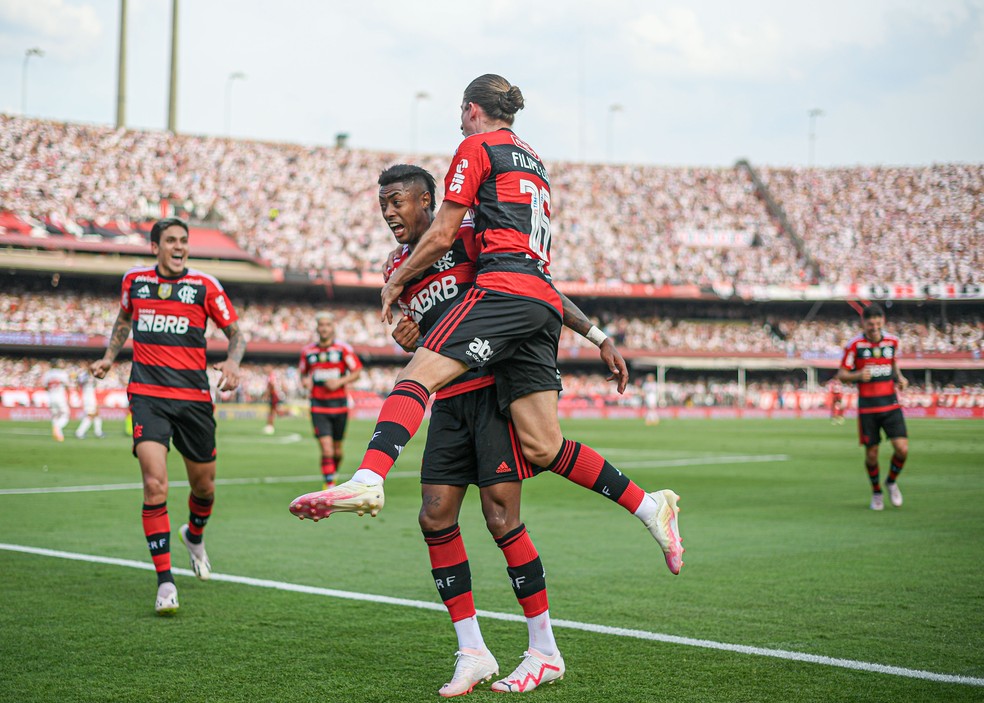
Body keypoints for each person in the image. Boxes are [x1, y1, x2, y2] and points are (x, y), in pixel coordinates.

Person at [290, 75, 684, 579]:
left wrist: (393, 287)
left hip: (505, 293)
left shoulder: (477, 148)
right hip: (535, 301)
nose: (458, 121)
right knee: (543, 446)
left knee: (415, 379)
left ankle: (369, 476)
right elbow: (532, 269)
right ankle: (651, 507)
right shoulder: (533, 159)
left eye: (459, 111)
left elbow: (446, 234)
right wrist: (598, 336)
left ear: (472, 109)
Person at [91, 217, 245, 614]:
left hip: (194, 399)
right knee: (154, 485)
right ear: (155, 246)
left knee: (204, 488)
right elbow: (124, 320)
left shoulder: (205, 286)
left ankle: (194, 536)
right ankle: (165, 583)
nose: (179, 247)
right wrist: (109, 358)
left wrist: (232, 363)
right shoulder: (134, 281)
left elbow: (237, 334)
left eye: (184, 241)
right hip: (147, 396)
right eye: (171, 241)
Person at [837, 304, 909, 511]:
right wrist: (857, 375)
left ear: (882, 321)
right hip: (868, 407)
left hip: (891, 404)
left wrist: (900, 378)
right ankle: (877, 492)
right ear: (864, 323)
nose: (874, 327)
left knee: (902, 449)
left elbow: (893, 364)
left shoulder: (892, 341)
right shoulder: (855, 345)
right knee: (871, 455)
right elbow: (842, 374)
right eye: (870, 324)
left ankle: (891, 481)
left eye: (878, 323)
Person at [299, 312, 363, 488]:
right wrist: (305, 382)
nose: (324, 328)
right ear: (317, 328)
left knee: (337, 450)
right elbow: (303, 374)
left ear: (332, 327)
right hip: (318, 406)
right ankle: (329, 485)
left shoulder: (343, 349)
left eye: (327, 324)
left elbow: (357, 371)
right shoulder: (308, 352)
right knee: (326, 449)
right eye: (321, 325)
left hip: (340, 405)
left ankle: (332, 473)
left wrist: (340, 382)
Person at [41, 361, 70, 442]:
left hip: (51, 397)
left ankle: (59, 435)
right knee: (65, 415)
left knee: (55, 415)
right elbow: (67, 385)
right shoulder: (62, 373)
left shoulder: (47, 374)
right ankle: (57, 427)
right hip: (60, 396)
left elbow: (45, 387)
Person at [75, 366, 105, 439]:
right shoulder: (84, 376)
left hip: (92, 397)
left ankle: (98, 432)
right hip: (88, 398)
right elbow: (78, 383)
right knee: (90, 415)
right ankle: (79, 432)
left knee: (97, 414)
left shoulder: (93, 376)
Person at [263, 366, 283, 435]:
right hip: (274, 394)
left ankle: (270, 425)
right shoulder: (273, 375)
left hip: (273, 395)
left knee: (272, 411)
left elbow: (271, 385)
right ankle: (270, 425)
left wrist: (267, 394)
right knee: (273, 411)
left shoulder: (271, 376)